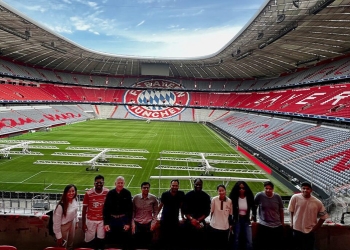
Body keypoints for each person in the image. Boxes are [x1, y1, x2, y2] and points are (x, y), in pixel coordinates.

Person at [288, 181, 328, 250]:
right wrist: (292, 223)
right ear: (301, 189)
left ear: (311, 190)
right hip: (296, 229)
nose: (305, 190)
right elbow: (291, 210)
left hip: (309, 231)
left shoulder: (317, 202)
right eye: (303, 188)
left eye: (307, 188)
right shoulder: (295, 197)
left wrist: (316, 227)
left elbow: (324, 216)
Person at [103, 176, 133, 249]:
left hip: (123, 220)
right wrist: (106, 223)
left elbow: (130, 209)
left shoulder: (127, 193)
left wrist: (128, 223)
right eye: (118, 183)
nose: (120, 184)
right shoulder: (110, 193)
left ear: (124, 183)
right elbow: (106, 209)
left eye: (121, 183)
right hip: (112, 220)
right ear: (115, 183)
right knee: (111, 241)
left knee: (124, 241)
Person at [254, 181, 284, 250]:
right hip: (264, 225)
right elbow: (254, 207)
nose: (268, 190)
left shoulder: (277, 197)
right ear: (264, 188)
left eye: (270, 188)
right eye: (266, 188)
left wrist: (282, 223)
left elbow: (281, 210)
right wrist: (253, 218)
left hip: (277, 226)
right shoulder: (259, 195)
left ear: (273, 189)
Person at [82, 175, 109, 250]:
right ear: (94, 183)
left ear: (103, 183)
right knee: (89, 240)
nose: (99, 184)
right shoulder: (88, 193)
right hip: (90, 220)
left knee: (101, 240)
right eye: (97, 183)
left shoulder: (107, 192)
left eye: (101, 182)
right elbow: (84, 209)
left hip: (102, 220)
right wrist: (83, 223)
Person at [183, 178, 211, 250]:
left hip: (201, 222)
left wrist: (198, 221)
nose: (198, 186)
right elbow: (185, 211)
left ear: (202, 185)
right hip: (190, 222)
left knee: (201, 243)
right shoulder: (188, 195)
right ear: (194, 185)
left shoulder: (206, 196)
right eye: (196, 184)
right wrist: (192, 220)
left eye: (200, 185)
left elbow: (207, 211)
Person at [158, 179, 185, 250]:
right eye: (173, 185)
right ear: (170, 186)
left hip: (175, 220)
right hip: (165, 219)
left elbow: (182, 206)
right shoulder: (165, 194)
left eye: (176, 186)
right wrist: (155, 216)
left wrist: (182, 217)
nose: (174, 187)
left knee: (174, 238)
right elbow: (160, 206)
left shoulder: (181, 194)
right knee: (164, 237)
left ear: (178, 186)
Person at [229, 181, 256, 250]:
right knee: (236, 239)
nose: (241, 190)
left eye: (243, 188)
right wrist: (231, 222)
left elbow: (254, 206)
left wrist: (253, 215)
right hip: (237, 220)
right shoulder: (234, 198)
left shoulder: (248, 197)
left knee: (249, 240)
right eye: (240, 188)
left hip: (246, 220)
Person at [132, 181, 159, 249]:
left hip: (148, 224)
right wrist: (133, 223)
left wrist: (153, 223)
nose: (146, 189)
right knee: (138, 243)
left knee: (148, 243)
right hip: (138, 224)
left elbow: (156, 211)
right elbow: (132, 211)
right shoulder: (135, 198)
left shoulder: (153, 198)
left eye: (147, 188)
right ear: (141, 188)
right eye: (144, 188)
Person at [53, 184, 79, 250]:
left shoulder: (75, 199)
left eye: (73, 191)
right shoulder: (61, 205)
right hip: (64, 226)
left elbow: (75, 212)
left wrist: (76, 221)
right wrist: (58, 236)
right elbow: (56, 222)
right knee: (63, 246)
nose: (71, 193)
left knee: (70, 244)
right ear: (65, 193)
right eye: (69, 191)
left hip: (72, 223)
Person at [209, 184, 233, 250]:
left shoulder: (229, 201)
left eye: (223, 190)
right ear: (217, 192)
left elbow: (230, 214)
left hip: (225, 227)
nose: (221, 192)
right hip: (214, 226)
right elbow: (212, 212)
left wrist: (230, 224)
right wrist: (212, 221)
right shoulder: (214, 200)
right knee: (214, 244)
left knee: (223, 245)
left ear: (225, 191)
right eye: (219, 191)